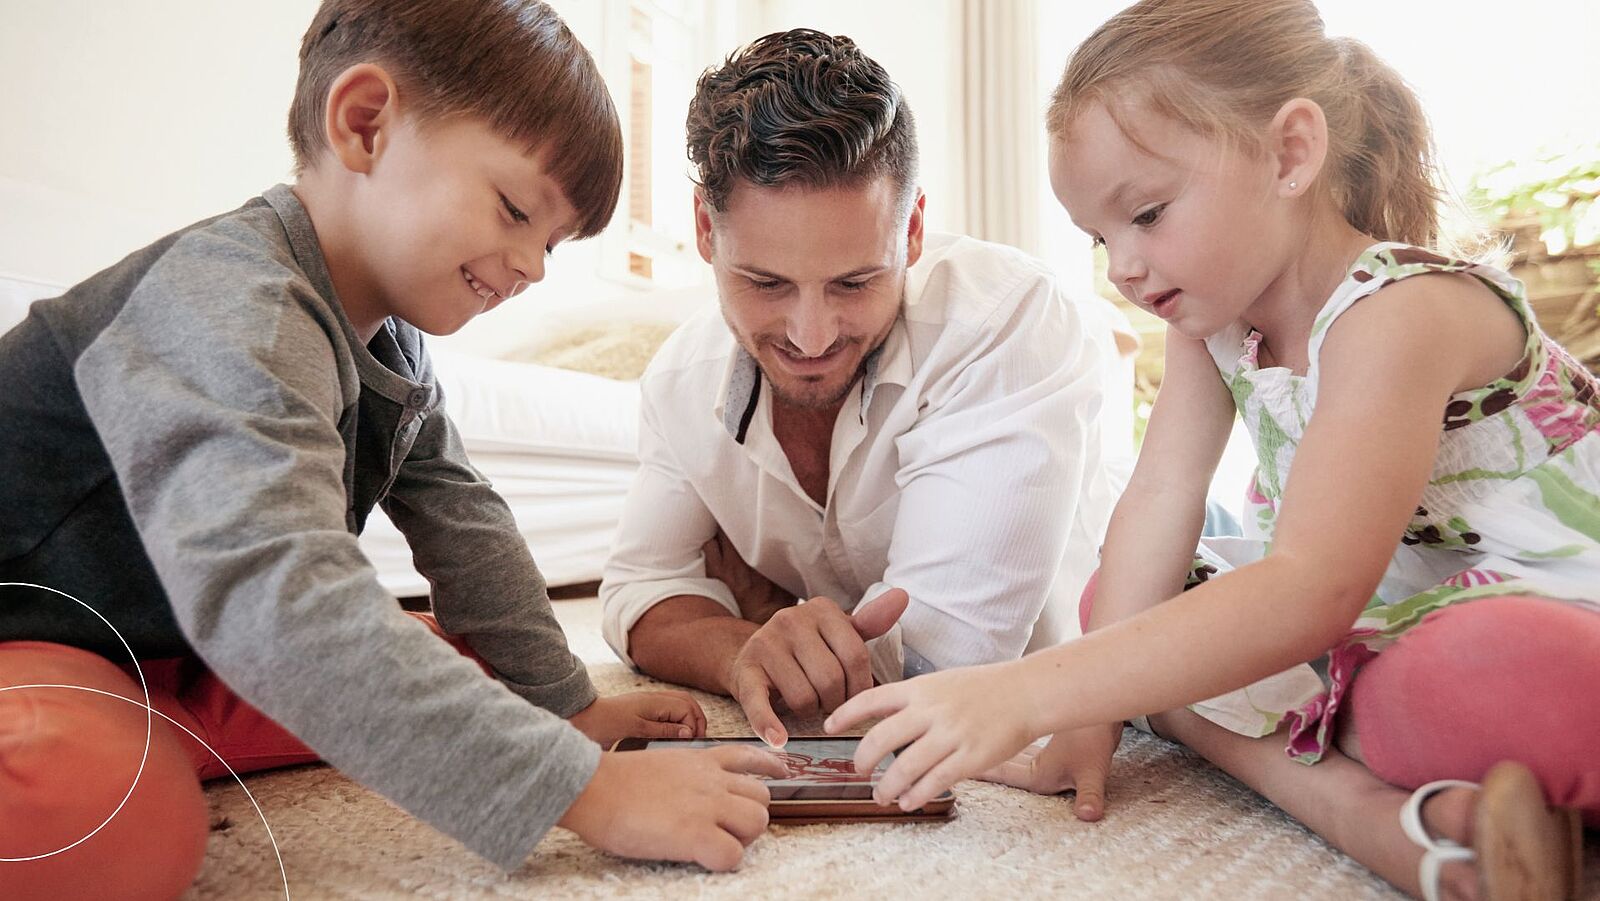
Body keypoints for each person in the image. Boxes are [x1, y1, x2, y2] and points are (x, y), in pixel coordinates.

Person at [0, 2, 786, 897]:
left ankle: (159, 715)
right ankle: (128, 731)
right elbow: (281, 601)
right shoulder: (235, 304)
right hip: (31, 629)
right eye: (515, 209)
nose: (532, 265)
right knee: (108, 814)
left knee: (465, 669)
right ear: (364, 123)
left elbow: (464, 523)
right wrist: (588, 791)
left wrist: (569, 706)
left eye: (552, 243)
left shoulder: (393, 343)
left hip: (159, 641)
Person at [825, 2, 1599, 899]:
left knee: (1510, 673)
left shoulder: (1402, 311)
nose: (1121, 264)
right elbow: (1160, 499)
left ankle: (1373, 796)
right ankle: (1392, 819)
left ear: (1291, 154)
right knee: (1127, 606)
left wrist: (1029, 692)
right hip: (1382, 630)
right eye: (1100, 238)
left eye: (1146, 213)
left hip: (1545, 611)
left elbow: (1312, 588)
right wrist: (1087, 716)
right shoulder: (1215, 326)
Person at [601, 28, 1133, 749]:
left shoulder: (1006, 319)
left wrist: (772, 608)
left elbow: (942, 664)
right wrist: (743, 644)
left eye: (855, 281)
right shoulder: (678, 382)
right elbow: (635, 594)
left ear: (912, 229)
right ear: (705, 227)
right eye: (766, 283)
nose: (812, 336)